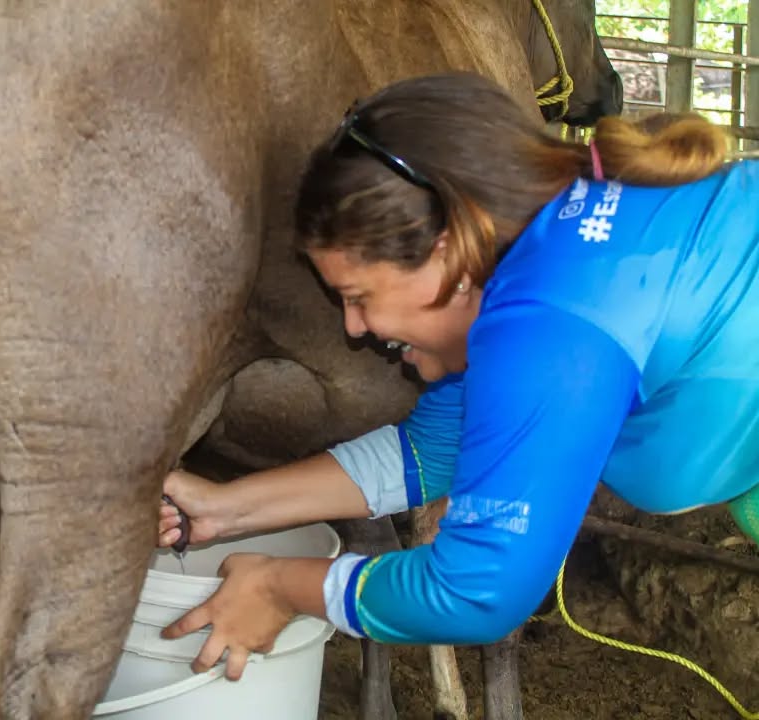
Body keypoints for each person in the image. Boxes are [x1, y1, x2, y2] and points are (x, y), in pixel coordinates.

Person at [155, 71, 759, 682]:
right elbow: (428, 452)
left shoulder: (549, 322)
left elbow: (477, 591)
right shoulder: (557, 243)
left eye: (358, 296)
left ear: (449, 248)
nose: (356, 328)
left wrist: (280, 586)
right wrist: (226, 509)